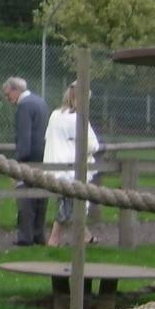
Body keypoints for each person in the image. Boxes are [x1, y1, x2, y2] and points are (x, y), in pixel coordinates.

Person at [44, 82, 100, 247]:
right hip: (71, 169)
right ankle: (53, 240)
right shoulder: (78, 119)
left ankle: (85, 236)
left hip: (54, 166)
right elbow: (92, 145)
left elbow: (48, 138)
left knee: (73, 203)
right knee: (69, 205)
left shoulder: (55, 115)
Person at [2, 76, 49, 246]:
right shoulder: (40, 102)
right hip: (43, 156)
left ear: (16, 90)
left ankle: (25, 237)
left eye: (8, 95)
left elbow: (24, 136)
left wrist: (18, 161)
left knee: (25, 198)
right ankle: (38, 234)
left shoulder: (24, 105)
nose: (8, 99)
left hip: (29, 158)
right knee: (41, 197)